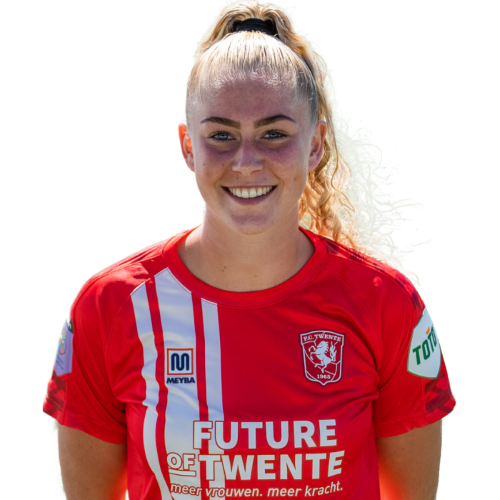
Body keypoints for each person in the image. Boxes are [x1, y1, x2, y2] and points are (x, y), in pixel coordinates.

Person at [42, 1, 456, 499]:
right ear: (187, 145)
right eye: (221, 135)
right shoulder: (109, 308)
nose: (245, 161)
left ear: (316, 144)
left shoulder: (387, 304)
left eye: (274, 134)